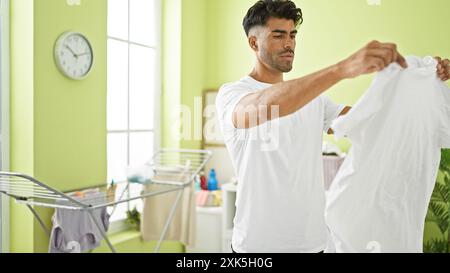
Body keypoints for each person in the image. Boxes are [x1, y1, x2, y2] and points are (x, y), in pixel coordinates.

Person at [215, 0, 450, 253]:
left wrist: (419, 83)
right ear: (253, 42)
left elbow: (372, 123)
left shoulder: (314, 100)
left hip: (315, 245)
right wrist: (343, 69)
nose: (289, 44)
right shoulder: (234, 94)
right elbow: (265, 105)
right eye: (278, 35)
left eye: (293, 35)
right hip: (256, 248)